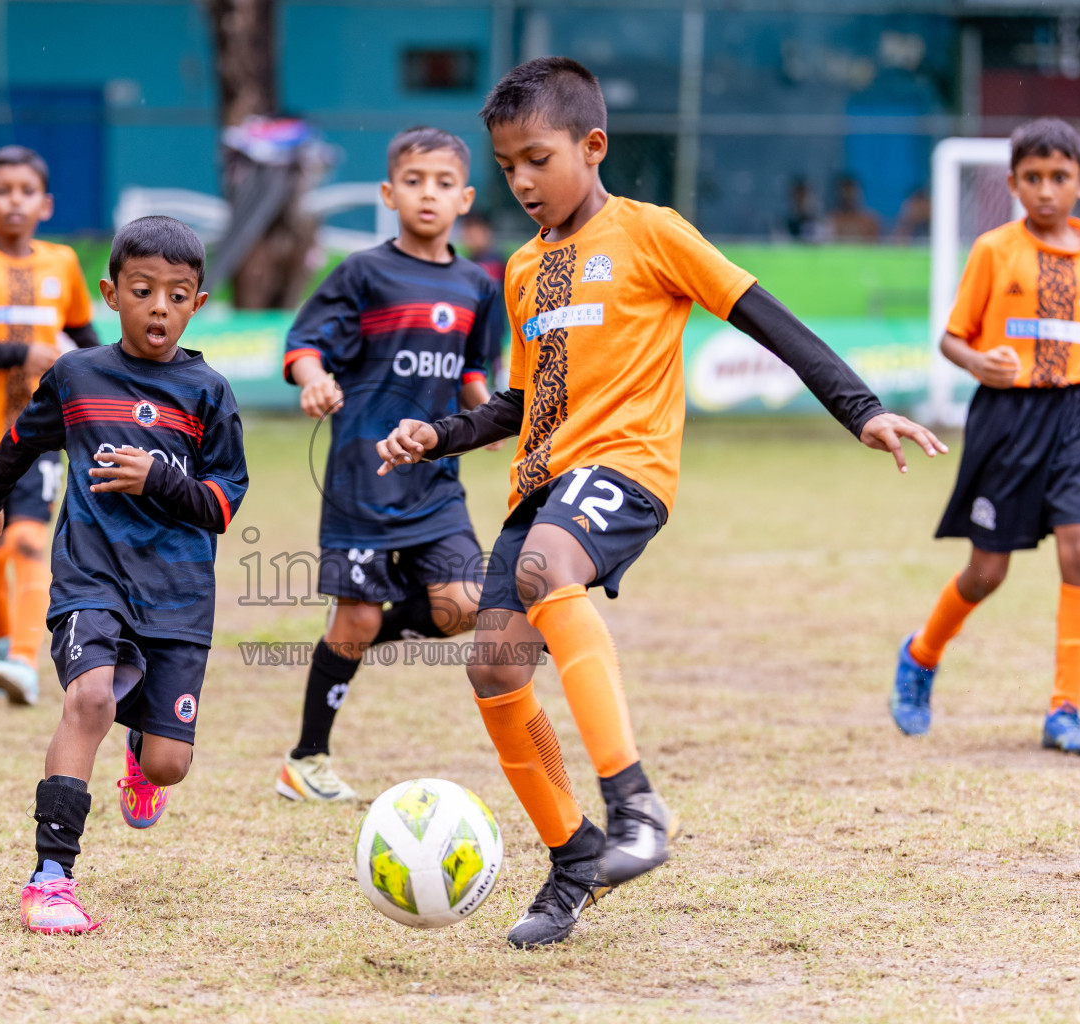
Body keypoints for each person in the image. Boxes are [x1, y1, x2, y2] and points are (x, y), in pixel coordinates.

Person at [374, 57, 946, 948]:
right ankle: (574, 859)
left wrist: (861, 409)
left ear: (592, 146)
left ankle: (635, 803)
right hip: (541, 482)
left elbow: (767, 318)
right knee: (493, 665)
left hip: (624, 469)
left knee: (543, 566)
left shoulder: (653, 234)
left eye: (538, 158)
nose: (521, 181)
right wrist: (437, 435)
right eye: (508, 166)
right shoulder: (523, 271)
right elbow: (521, 403)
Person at [0, 216, 249, 933]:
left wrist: (157, 478)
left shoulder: (208, 392)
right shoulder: (77, 374)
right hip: (92, 577)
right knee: (88, 697)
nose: (160, 307)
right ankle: (51, 876)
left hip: (179, 596)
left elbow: (221, 503)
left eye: (177, 295)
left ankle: (139, 748)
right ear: (110, 293)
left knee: (168, 766)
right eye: (144, 290)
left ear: (198, 304)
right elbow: (23, 439)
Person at [891, 118, 1080, 755]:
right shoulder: (994, 250)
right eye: (1033, 178)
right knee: (987, 571)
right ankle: (921, 655)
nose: (1046, 190)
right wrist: (977, 362)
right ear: (1013, 183)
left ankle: (1066, 710)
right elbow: (952, 337)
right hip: (1006, 422)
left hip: (1074, 419)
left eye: (1059, 177)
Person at [275, 127, 505, 802]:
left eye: (442, 183)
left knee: (464, 604)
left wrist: (486, 415)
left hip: (435, 481)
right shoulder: (363, 273)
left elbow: (470, 369)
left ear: (464, 198)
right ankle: (305, 759)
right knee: (356, 617)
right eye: (413, 180)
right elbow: (303, 342)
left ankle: (357, 638)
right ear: (388, 193)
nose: (427, 194)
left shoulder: (475, 285)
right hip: (360, 481)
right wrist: (314, 379)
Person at [0, 145, 100, 705]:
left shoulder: (62, 263)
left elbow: (84, 336)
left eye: (26, 191)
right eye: (2, 191)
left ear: (46, 204)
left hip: (40, 436)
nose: (15, 201)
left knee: (32, 541)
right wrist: (23, 354)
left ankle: (24, 663)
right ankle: (4, 639)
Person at [827, 174, 880, 242]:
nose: (849, 197)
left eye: (852, 192)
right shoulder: (833, 220)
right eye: (846, 193)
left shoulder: (870, 220)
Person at [460, 211, 506, 283]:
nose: (470, 235)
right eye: (467, 231)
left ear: (487, 231)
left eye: (475, 232)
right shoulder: (470, 260)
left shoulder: (493, 263)